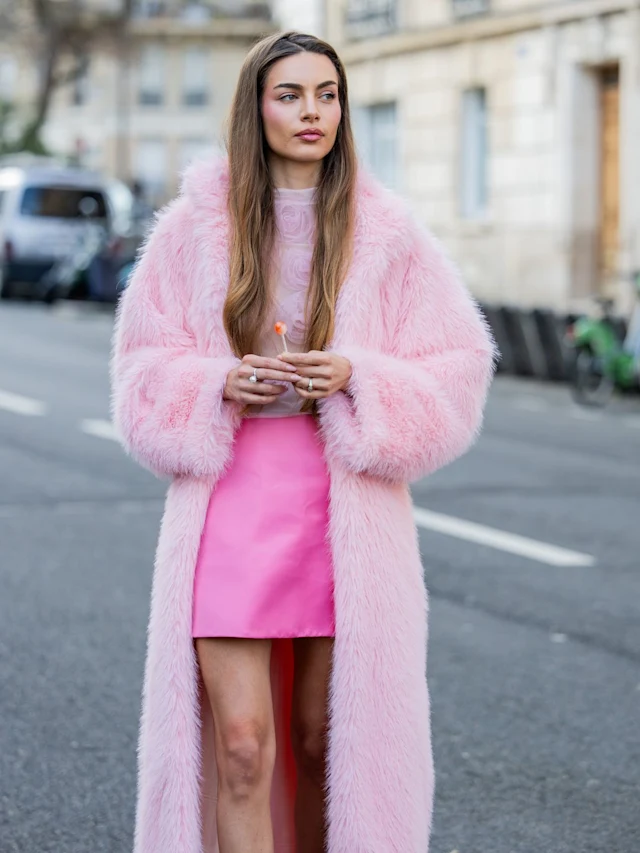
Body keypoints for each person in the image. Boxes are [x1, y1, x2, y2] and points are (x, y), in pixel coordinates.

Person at [109, 31, 497, 853]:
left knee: (331, 745)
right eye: (290, 94)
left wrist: (359, 374)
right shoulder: (190, 230)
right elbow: (138, 372)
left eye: (327, 93)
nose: (312, 111)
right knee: (242, 744)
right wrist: (213, 383)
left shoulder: (388, 233)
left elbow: (461, 367)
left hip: (342, 509)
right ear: (256, 106)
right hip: (229, 504)